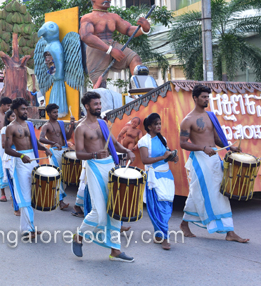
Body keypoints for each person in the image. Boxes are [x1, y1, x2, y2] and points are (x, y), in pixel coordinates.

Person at [70, 91, 136, 262]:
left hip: (110, 165)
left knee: (115, 209)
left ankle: (115, 250)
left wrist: (127, 150)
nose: (99, 107)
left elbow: (114, 143)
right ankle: (79, 236)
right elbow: (78, 154)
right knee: (99, 212)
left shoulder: (103, 124)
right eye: (96, 104)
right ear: (87, 106)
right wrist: (93, 155)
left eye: (99, 104)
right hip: (94, 167)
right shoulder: (81, 128)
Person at [179, 84, 248, 243]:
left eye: (207, 97)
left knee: (200, 192)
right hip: (200, 160)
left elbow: (216, 140)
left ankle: (184, 223)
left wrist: (230, 146)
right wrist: (203, 148)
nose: (206, 100)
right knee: (216, 193)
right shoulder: (187, 120)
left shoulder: (210, 116)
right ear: (195, 98)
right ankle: (230, 232)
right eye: (203, 97)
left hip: (215, 158)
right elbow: (183, 143)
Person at [79, 0, 150, 88]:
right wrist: (110, 50)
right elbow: (86, 36)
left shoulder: (114, 17)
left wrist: (144, 28)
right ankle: (99, 102)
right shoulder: (87, 18)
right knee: (100, 85)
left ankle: (140, 91)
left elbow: (129, 30)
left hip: (113, 45)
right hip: (96, 49)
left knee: (135, 59)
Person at [5, 98, 52, 238]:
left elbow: (35, 142)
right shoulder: (11, 127)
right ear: (15, 111)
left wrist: (45, 149)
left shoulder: (29, 125)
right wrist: (20, 156)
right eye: (22, 109)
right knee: (24, 195)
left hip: (33, 160)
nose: (25, 111)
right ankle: (27, 230)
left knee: (33, 194)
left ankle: (30, 226)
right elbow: (7, 149)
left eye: (26, 109)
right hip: (21, 162)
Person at [138, 113, 179, 250]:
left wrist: (173, 157)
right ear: (149, 126)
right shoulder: (144, 141)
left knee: (166, 206)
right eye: (156, 124)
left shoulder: (163, 139)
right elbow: (145, 160)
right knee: (158, 208)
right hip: (153, 178)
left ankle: (159, 233)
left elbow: (166, 157)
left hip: (167, 176)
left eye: (160, 123)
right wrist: (163, 156)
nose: (159, 126)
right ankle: (164, 238)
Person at [39, 103, 75, 210]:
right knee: (57, 175)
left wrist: (72, 125)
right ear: (49, 113)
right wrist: (53, 143)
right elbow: (41, 139)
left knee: (63, 177)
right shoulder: (46, 125)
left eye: (57, 112)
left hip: (63, 151)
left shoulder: (61, 123)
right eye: (54, 112)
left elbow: (67, 137)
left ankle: (58, 199)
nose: (56, 114)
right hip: (54, 152)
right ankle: (60, 201)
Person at [1, 110, 20, 216]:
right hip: (10, 158)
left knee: (20, 182)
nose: (15, 118)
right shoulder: (5, 129)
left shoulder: (21, 127)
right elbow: (4, 145)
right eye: (13, 116)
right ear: (8, 118)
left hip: (20, 156)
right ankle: (16, 207)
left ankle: (18, 201)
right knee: (13, 183)